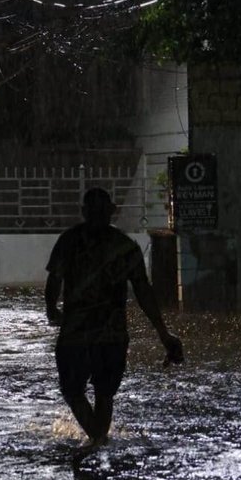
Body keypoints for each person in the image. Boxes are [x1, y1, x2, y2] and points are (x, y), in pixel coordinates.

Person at [45, 187, 184, 448]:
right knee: (104, 391)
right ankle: (98, 438)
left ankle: (96, 438)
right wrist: (163, 333)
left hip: (77, 334)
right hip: (111, 336)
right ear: (112, 212)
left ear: (84, 212)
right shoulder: (124, 247)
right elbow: (144, 292)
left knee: (73, 390)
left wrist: (52, 310)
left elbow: (54, 280)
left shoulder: (70, 241)